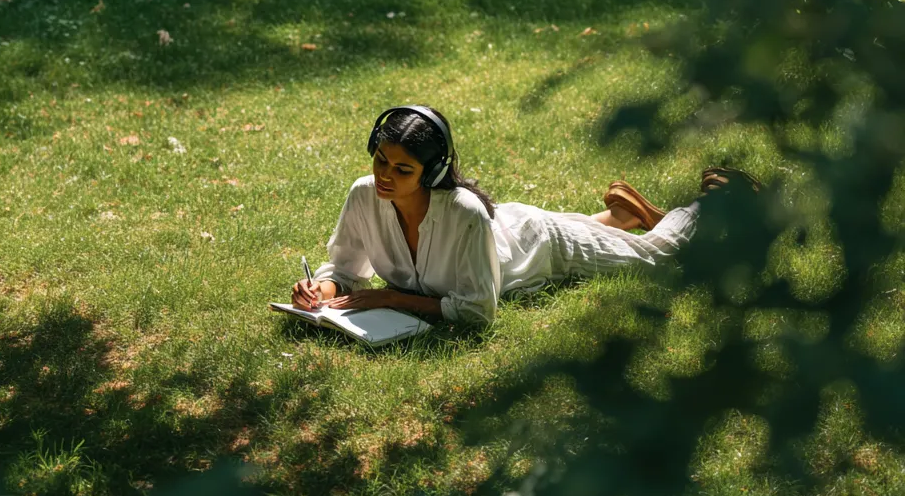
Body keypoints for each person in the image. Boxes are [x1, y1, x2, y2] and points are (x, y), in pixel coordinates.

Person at [289, 105, 758, 326]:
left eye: (403, 168)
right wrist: (321, 290)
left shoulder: (464, 213)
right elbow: (345, 270)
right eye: (380, 161)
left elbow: (476, 311)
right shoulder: (363, 195)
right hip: (507, 228)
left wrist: (391, 300)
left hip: (541, 244)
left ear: (431, 171)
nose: (385, 176)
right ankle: (617, 217)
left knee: (661, 254)